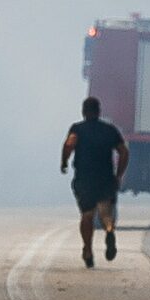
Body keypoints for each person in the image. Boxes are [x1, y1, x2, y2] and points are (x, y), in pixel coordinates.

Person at [60, 96, 129, 267]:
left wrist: (64, 162)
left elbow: (69, 144)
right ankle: (110, 230)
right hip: (105, 177)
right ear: (99, 111)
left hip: (85, 178)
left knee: (87, 215)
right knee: (106, 211)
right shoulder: (110, 130)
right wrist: (119, 174)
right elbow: (124, 152)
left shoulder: (77, 129)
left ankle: (88, 250)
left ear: (84, 111)